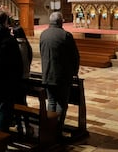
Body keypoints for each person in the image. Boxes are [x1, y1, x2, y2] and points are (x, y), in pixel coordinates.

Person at [40, 11, 80, 139]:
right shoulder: (65, 35)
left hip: (47, 74)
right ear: (60, 21)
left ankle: (50, 129)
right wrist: (74, 72)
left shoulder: (43, 34)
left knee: (51, 102)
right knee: (62, 103)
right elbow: (74, 56)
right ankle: (57, 131)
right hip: (62, 76)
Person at [13, 25, 34, 137]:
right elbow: (29, 59)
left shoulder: (13, 45)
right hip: (25, 76)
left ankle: (18, 124)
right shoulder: (27, 44)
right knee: (23, 101)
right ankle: (27, 124)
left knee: (16, 102)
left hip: (16, 78)